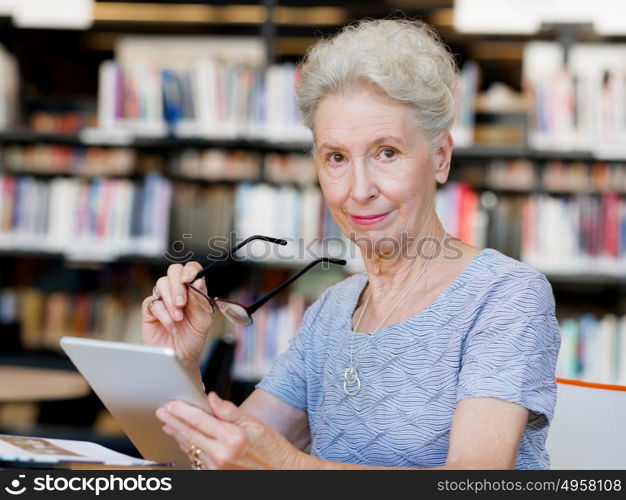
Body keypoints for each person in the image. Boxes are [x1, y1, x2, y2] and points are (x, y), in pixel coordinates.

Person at [143, 18, 561, 470]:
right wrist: (179, 362)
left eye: (387, 153)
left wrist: (289, 468)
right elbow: (221, 460)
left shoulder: (506, 295)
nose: (358, 189)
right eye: (337, 158)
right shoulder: (333, 311)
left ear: (440, 157)